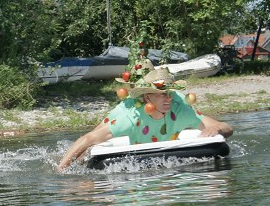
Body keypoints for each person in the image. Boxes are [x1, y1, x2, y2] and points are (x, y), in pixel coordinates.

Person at [56, 66, 234, 170]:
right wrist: (61, 170)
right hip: (125, 116)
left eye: (169, 94)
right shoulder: (130, 118)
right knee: (88, 151)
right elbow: (87, 139)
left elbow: (226, 127)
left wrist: (216, 128)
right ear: (148, 97)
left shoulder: (180, 110)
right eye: (162, 94)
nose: (168, 98)